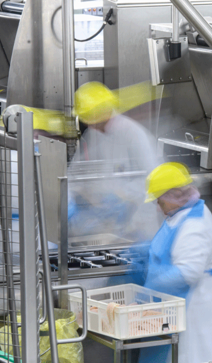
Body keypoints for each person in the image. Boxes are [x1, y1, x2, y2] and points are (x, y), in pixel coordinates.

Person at [137, 162, 212, 363]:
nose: (158, 206)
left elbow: (188, 272)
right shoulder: (179, 213)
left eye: (160, 200)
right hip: (174, 309)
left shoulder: (194, 223)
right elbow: (171, 248)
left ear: (172, 197)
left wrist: (152, 285)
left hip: (194, 309)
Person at [69, 81, 162, 243]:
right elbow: (76, 173)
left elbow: (155, 179)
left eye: (92, 119)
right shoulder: (93, 134)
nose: (90, 124)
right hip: (109, 224)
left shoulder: (133, 134)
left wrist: (123, 195)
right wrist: (70, 204)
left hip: (139, 220)